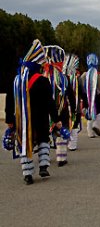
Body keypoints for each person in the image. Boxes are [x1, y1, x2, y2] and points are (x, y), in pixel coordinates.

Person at [10, 39, 62, 184]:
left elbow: (10, 101)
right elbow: (50, 102)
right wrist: (56, 118)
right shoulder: (43, 81)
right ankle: (43, 166)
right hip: (41, 118)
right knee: (43, 141)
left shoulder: (17, 80)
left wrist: (10, 120)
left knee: (25, 144)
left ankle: (27, 173)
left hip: (23, 119)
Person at [43, 45, 77, 167]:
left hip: (45, 110)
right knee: (62, 133)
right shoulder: (65, 78)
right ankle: (61, 157)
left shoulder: (43, 77)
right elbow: (71, 96)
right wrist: (74, 109)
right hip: (62, 110)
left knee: (46, 134)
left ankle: (44, 158)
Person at [80, 53, 100, 138]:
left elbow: (80, 87)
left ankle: (90, 133)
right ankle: (96, 125)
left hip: (86, 97)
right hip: (98, 96)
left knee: (90, 113)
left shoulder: (84, 75)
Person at [63, 54, 81, 151]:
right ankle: (72, 144)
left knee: (65, 124)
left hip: (63, 107)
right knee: (75, 123)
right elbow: (82, 92)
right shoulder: (77, 79)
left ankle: (66, 141)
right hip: (74, 106)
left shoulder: (60, 78)